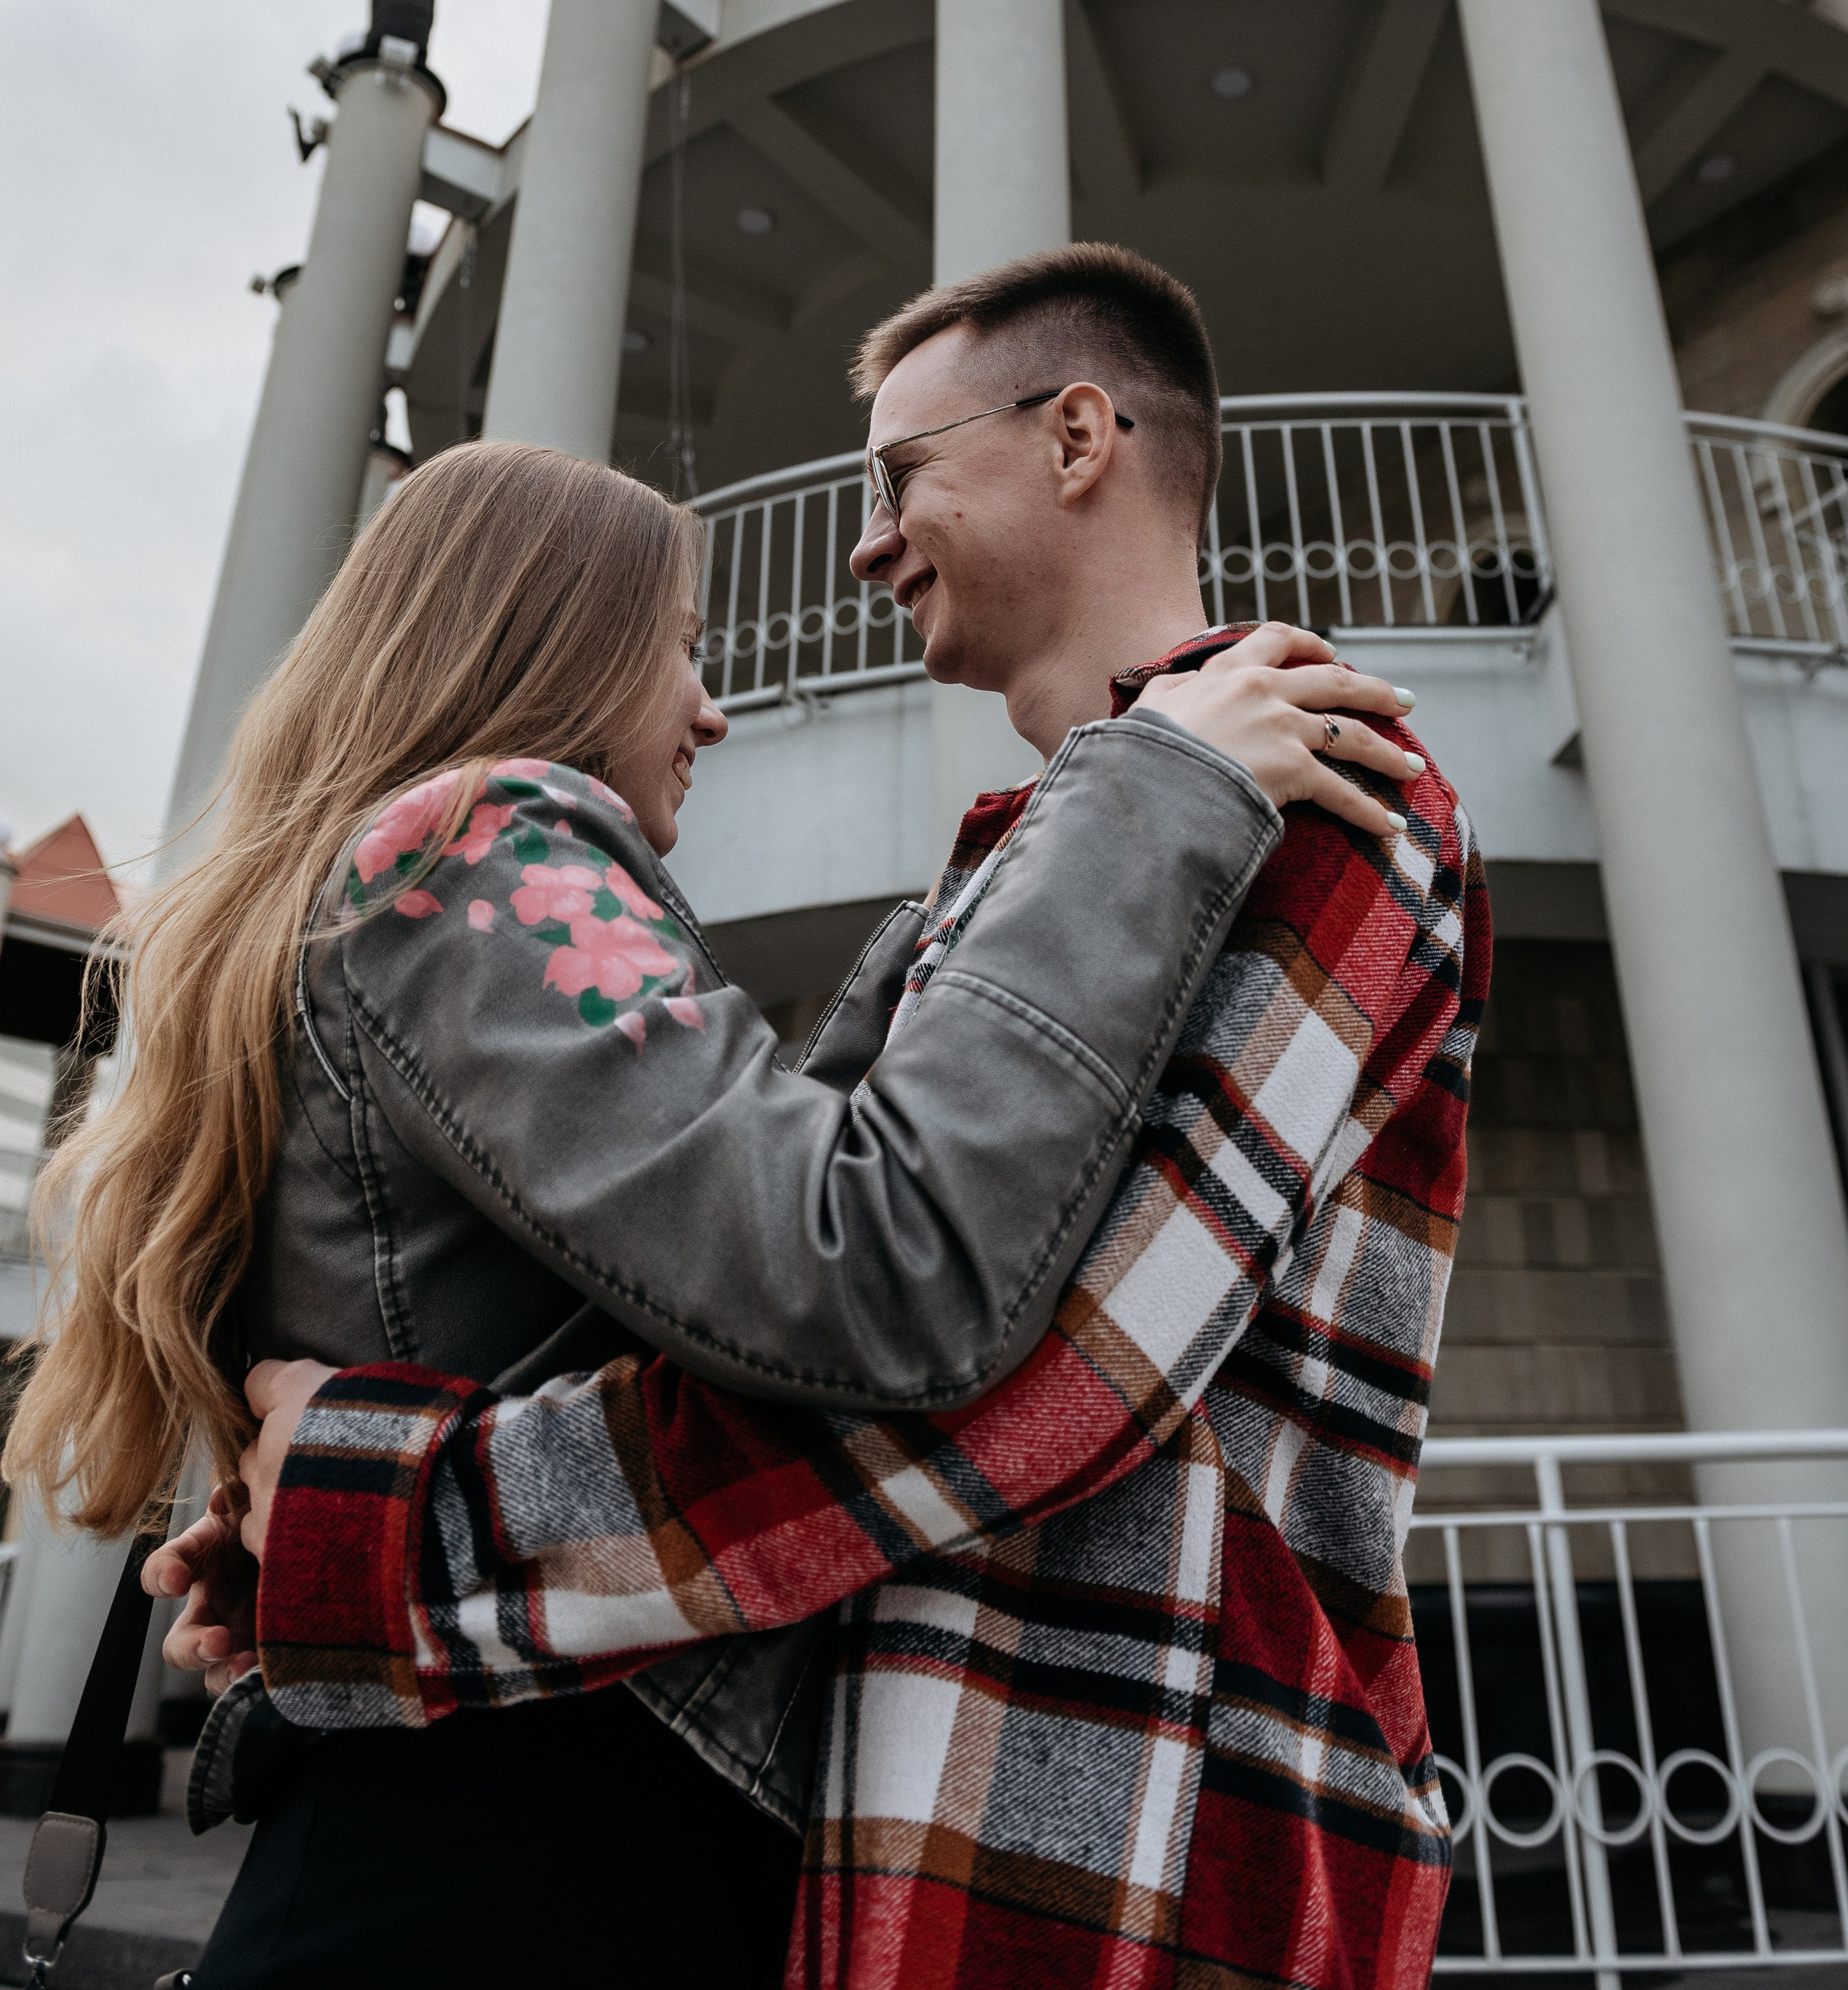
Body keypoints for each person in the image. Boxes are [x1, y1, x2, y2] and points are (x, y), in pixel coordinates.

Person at [160, 245, 1489, 1990]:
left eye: (896, 473)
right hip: (943, 1815)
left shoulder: (1302, 788)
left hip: (1129, 1825)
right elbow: (836, 1304)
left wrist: (372, 1529)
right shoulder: (1094, 833)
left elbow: (1020, 1391)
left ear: (1078, 434)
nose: (862, 540)